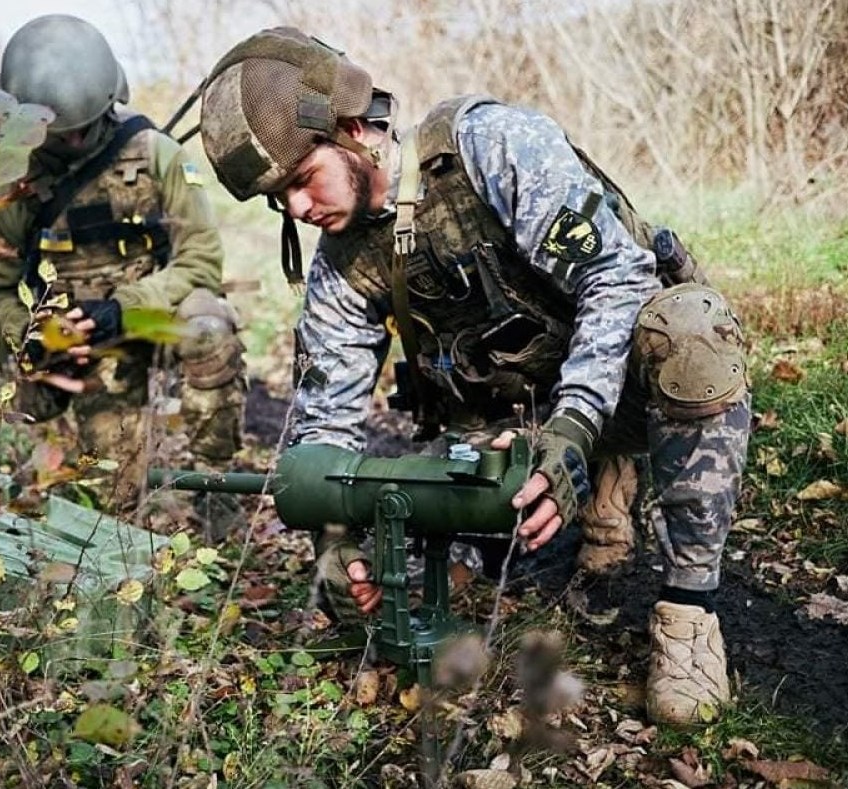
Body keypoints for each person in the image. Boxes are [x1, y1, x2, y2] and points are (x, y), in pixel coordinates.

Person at [196, 27, 750, 725]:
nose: (298, 211)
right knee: (425, 536)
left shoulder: (487, 146)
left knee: (692, 330)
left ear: (353, 129)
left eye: (300, 181)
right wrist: (331, 547)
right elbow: (322, 431)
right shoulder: (342, 266)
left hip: (617, 390)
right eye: (279, 202)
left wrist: (575, 426)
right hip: (504, 429)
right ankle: (599, 495)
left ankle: (687, 614)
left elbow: (615, 277)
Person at [0, 15, 246, 537]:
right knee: (117, 503)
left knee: (208, 326)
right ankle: (54, 475)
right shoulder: (11, 181)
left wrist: (125, 307)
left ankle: (216, 486)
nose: (73, 141)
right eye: (61, 133)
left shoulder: (156, 154)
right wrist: (36, 334)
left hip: (148, 319)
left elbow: (202, 258)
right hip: (79, 348)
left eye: (82, 128)